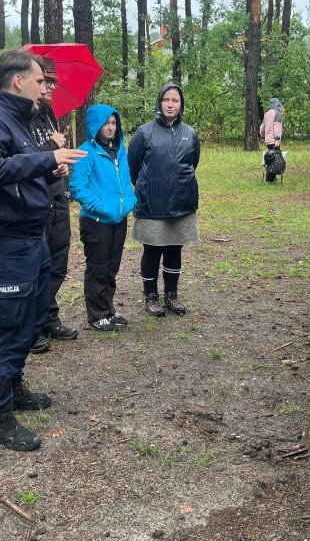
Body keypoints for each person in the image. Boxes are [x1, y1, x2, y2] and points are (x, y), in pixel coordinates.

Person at [0, 50, 86, 452]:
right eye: (39, 81)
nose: (44, 87)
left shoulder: (25, 121)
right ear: (18, 81)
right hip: (7, 242)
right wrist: (45, 157)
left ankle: (15, 388)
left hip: (32, 236)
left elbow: (19, 166)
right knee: (8, 326)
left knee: (29, 320)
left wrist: (47, 166)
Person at [128, 83, 201, 317]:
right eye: (166, 100)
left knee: (174, 249)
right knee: (152, 250)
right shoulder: (145, 132)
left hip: (182, 202)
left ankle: (171, 294)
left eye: (175, 100)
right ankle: (151, 295)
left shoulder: (190, 133)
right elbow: (133, 166)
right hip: (152, 204)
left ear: (181, 105)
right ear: (159, 102)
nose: (170, 104)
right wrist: (147, 187)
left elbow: (193, 162)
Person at [70, 104, 137, 331]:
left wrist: (130, 202)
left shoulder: (119, 150)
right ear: (95, 126)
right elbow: (78, 188)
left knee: (112, 267)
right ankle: (97, 315)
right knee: (98, 268)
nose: (110, 128)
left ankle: (108, 308)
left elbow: (126, 180)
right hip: (96, 221)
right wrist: (102, 208)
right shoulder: (86, 152)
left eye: (113, 123)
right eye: (105, 123)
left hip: (119, 219)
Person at [30, 56, 78, 350]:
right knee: (37, 263)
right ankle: (32, 325)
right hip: (36, 200)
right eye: (45, 80)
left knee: (58, 260)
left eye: (53, 82)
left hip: (57, 193)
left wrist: (63, 167)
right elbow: (26, 160)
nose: (49, 86)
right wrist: (52, 149)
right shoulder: (23, 117)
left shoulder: (50, 114)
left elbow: (52, 159)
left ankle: (48, 315)